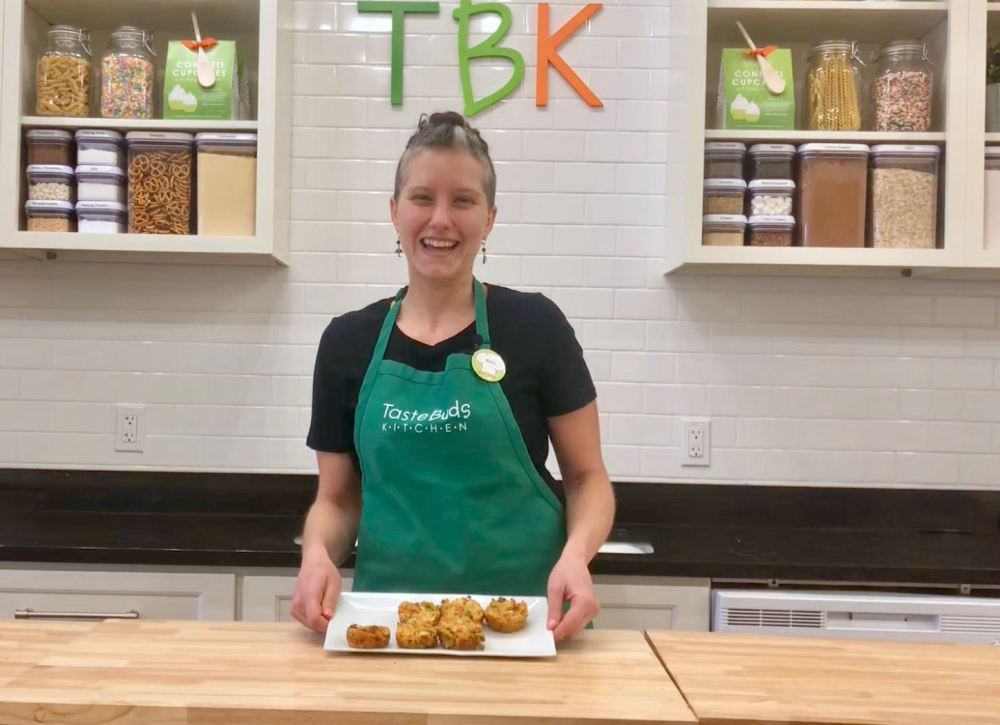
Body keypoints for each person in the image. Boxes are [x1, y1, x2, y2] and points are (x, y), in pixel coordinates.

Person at [291, 111, 615, 642]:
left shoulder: (535, 326)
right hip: (390, 626)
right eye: (422, 198)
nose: (441, 219)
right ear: (395, 212)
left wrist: (577, 556)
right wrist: (317, 555)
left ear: (489, 218)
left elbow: (587, 478)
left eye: (462, 201)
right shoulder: (346, 343)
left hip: (531, 625)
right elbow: (337, 499)